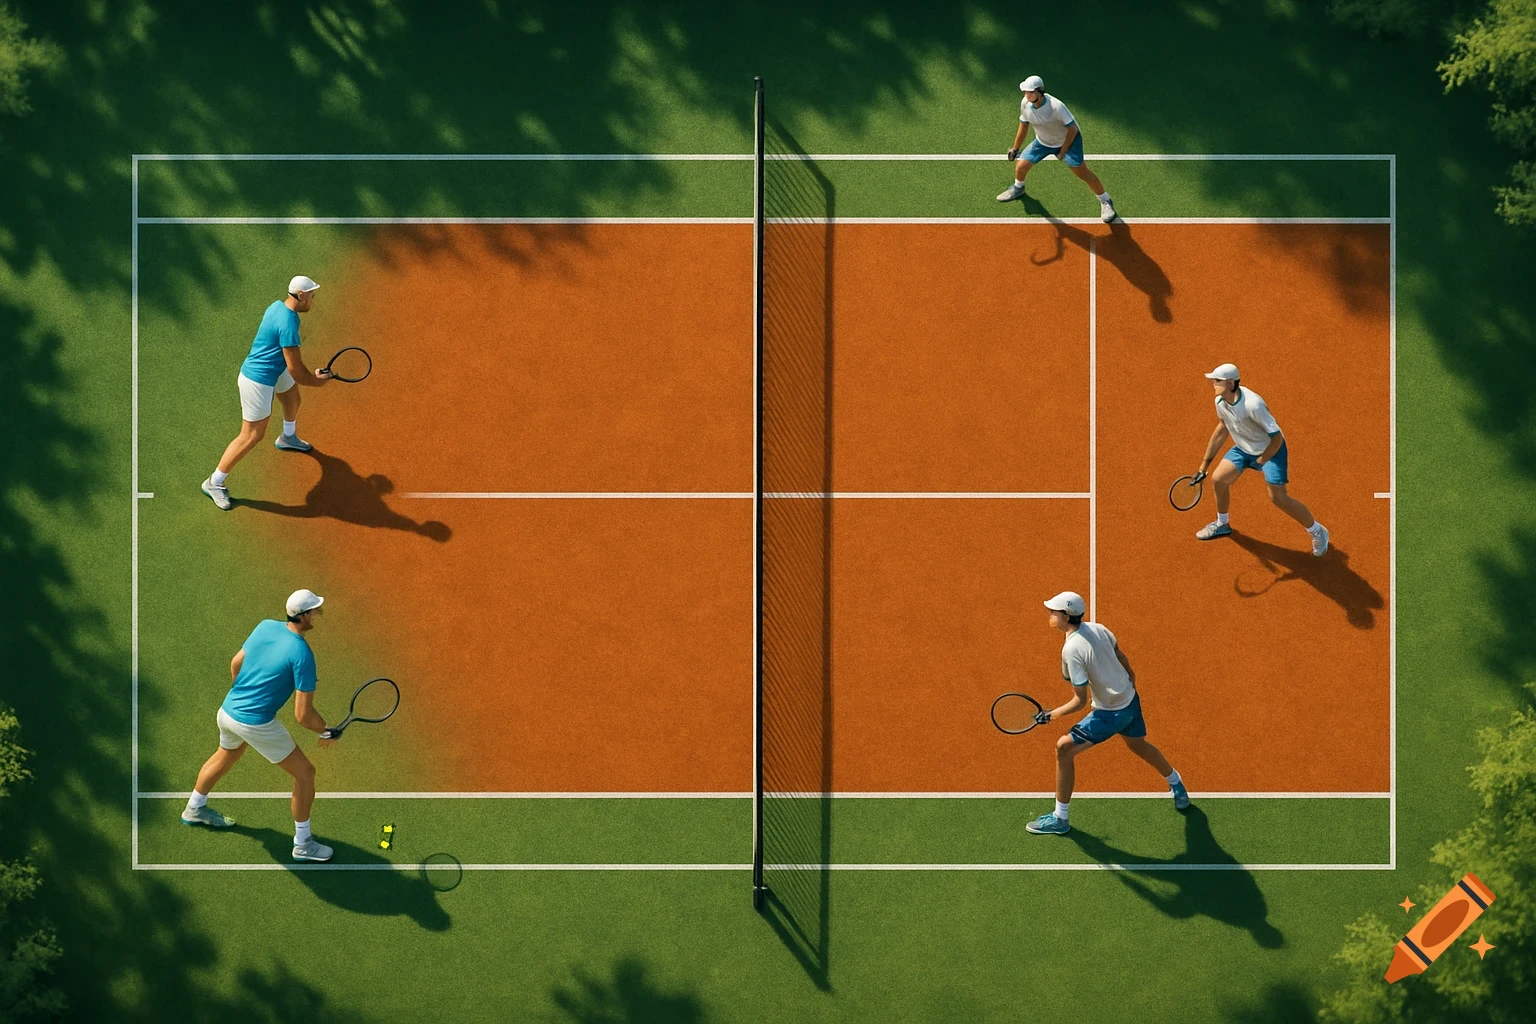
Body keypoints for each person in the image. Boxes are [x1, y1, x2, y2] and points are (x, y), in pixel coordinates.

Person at [180, 589, 337, 862]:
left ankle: (194, 808)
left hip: (228, 711)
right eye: (314, 611)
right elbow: (303, 715)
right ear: (303, 616)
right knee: (305, 774)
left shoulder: (266, 626)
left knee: (227, 754)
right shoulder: (302, 654)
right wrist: (325, 730)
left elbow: (236, 663)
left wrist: (244, 695)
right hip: (255, 723)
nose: (317, 614)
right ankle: (303, 844)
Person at [1026, 591, 1188, 836]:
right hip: (1130, 699)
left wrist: (1052, 714)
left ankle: (1060, 818)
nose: (1049, 615)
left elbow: (1079, 700)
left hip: (1110, 713)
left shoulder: (1072, 649)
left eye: (1053, 612)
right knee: (1137, 745)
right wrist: (1130, 678)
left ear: (1066, 616)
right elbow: (1120, 655)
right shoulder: (1099, 628)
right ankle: (1177, 784)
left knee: (1063, 748)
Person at [201, 276, 332, 511]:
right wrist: (318, 381)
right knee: (251, 435)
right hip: (257, 380)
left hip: (275, 368)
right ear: (301, 296)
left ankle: (287, 438)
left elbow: (287, 363)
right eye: (312, 295)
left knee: (292, 398)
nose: (314, 299)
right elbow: (298, 371)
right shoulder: (289, 324)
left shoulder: (277, 306)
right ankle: (214, 482)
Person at [1193, 363, 1329, 556]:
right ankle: (1222, 524)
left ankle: (1317, 531)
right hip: (1243, 448)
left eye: (1217, 381)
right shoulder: (1220, 402)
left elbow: (1276, 437)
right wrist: (1203, 466)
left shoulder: (1253, 404)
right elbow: (1222, 428)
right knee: (1218, 480)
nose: (1213, 384)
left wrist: (1263, 459)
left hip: (1271, 450)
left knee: (1278, 498)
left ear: (1230, 383)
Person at [997, 75, 1117, 223]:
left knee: (1082, 172)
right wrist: (1015, 148)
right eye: (1025, 92)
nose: (1026, 95)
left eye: (1030, 92)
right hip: (1043, 142)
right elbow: (1023, 125)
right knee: (1021, 165)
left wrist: (1062, 151)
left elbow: (1072, 129)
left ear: (1039, 92)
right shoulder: (1025, 104)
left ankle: (1105, 201)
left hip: (1069, 141)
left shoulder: (1056, 107)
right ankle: (1018, 188)